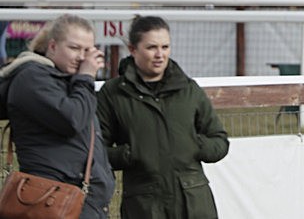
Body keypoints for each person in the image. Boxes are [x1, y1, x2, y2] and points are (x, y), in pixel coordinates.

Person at [97, 15, 229, 219]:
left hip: (193, 204)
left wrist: (194, 145)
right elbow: (97, 151)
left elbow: (220, 141)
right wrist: (130, 154)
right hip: (144, 206)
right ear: (133, 50)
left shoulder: (189, 90)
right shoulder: (113, 94)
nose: (160, 54)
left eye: (165, 47)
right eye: (151, 47)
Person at [0, 14, 115, 218]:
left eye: (87, 50)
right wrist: (86, 77)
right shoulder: (32, 78)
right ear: (52, 46)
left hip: (81, 202)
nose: (82, 57)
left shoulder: (70, 82)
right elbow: (72, 119)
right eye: (74, 48)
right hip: (51, 200)